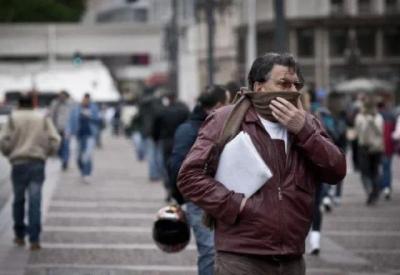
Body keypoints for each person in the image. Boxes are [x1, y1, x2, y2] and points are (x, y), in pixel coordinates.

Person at [177, 53, 346, 275]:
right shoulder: (226, 119)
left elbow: (336, 170)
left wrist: (304, 131)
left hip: (292, 257)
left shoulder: (307, 122)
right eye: (284, 83)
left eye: (297, 85)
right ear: (259, 87)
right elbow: (189, 177)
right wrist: (237, 205)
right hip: (241, 256)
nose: (293, 91)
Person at [168, 85, 228, 275]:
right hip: (200, 200)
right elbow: (177, 167)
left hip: (224, 198)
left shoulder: (224, 126)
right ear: (218, 105)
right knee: (210, 251)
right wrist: (182, 198)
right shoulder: (189, 130)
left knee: (222, 252)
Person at [0, 93, 61, 251]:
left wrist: (9, 152)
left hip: (18, 163)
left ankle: (19, 235)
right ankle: (34, 239)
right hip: (37, 163)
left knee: (18, 199)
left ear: (19, 104)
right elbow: (56, 139)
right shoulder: (41, 118)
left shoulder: (13, 118)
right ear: (33, 104)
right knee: (35, 201)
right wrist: (47, 153)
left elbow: (3, 140)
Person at [152, 90, 189, 201]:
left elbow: (156, 128)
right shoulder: (184, 111)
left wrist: (156, 139)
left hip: (166, 141)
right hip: (180, 141)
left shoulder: (163, 112)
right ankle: (178, 188)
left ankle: (169, 187)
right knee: (179, 166)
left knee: (167, 167)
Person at [355, 94, 384, 205]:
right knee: (364, 172)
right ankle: (370, 192)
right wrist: (366, 121)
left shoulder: (378, 117)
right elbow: (359, 132)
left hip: (375, 148)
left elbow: (380, 132)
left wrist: (371, 121)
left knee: (375, 172)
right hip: (363, 147)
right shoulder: (360, 117)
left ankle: (374, 192)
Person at [67, 93, 101, 183]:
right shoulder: (76, 109)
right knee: (78, 157)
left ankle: (87, 173)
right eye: (84, 99)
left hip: (90, 134)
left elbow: (99, 120)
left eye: (88, 100)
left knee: (87, 155)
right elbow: (70, 120)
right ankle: (82, 171)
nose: (86, 101)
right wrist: (69, 131)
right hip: (79, 135)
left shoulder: (94, 108)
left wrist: (90, 116)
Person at [49, 90, 75, 170]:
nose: (61, 97)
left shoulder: (71, 104)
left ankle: (65, 162)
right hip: (57, 128)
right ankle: (62, 158)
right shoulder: (55, 104)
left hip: (67, 129)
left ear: (67, 96)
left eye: (63, 96)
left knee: (66, 146)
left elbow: (74, 117)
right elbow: (51, 115)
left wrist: (73, 128)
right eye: (60, 96)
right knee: (59, 147)